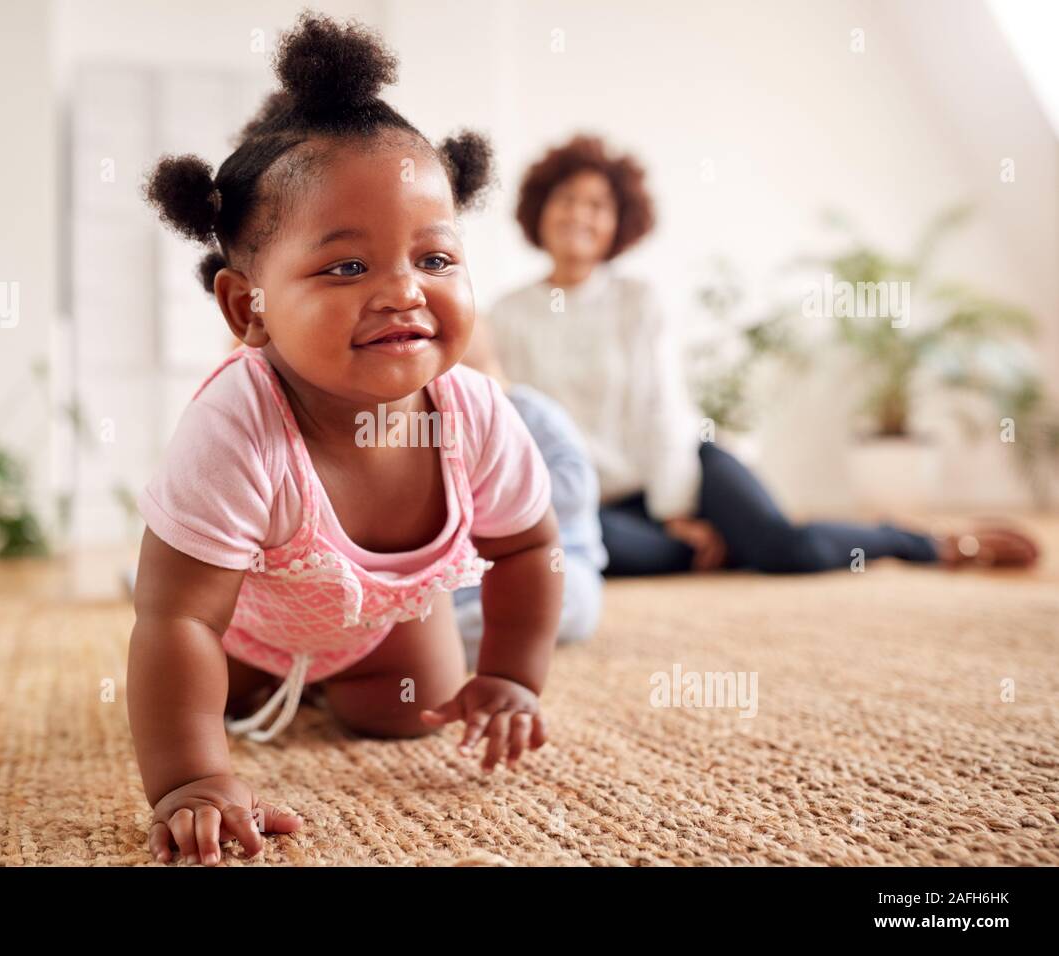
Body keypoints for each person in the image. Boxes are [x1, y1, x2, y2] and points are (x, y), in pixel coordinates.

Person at [128, 14, 564, 866]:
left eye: (435, 261)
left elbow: (528, 550)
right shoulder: (236, 425)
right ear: (246, 307)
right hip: (243, 624)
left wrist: (511, 674)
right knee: (206, 695)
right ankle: (210, 625)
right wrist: (190, 780)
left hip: (383, 624)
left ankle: (345, 680)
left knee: (407, 712)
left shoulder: (474, 413)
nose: (404, 291)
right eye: (347, 267)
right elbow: (179, 616)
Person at [487, 134, 1039, 576]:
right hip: (600, 507)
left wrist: (676, 510)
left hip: (685, 471)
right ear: (540, 210)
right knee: (574, 553)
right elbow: (516, 426)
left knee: (783, 549)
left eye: (598, 205)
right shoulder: (506, 314)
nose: (579, 215)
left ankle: (927, 542)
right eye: (567, 200)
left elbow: (663, 409)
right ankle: (716, 547)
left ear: (618, 224)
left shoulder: (638, 300)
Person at [452, 319, 606, 668]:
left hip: (553, 559)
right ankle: (399, 649)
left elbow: (576, 485)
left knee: (572, 602)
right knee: (409, 601)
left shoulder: (534, 413)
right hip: (464, 574)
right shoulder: (431, 426)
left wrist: (491, 500)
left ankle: (441, 649)